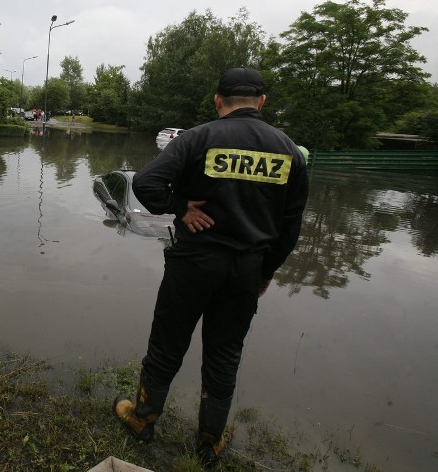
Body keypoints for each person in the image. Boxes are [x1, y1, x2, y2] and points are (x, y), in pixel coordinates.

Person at [113, 67, 309, 466]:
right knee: (224, 354)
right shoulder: (289, 151)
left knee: (168, 343)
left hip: (194, 263)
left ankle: (143, 420)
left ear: (217, 101)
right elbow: (290, 228)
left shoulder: (198, 138)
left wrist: (181, 207)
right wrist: (266, 272)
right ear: (262, 103)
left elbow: (147, 185)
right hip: (246, 270)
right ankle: (209, 441)